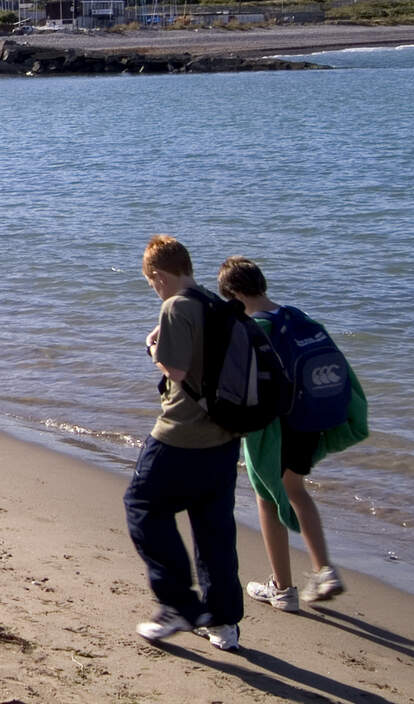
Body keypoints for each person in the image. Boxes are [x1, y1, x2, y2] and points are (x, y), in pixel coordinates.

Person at [217, 256, 363, 612]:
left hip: (276, 429)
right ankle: (323, 569)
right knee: (295, 489)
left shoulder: (255, 329)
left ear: (234, 294)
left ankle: (283, 590)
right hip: (311, 422)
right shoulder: (300, 319)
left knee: (267, 497)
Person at [126, 234, 243, 651]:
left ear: (158, 275)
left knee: (142, 507)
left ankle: (178, 604)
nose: (154, 288)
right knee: (213, 527)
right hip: (225, 436)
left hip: (180, 434)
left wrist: (152, 346)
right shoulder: (214, 301)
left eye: (151, 281)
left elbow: (174, 370)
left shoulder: (175, 305)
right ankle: (223, 620)